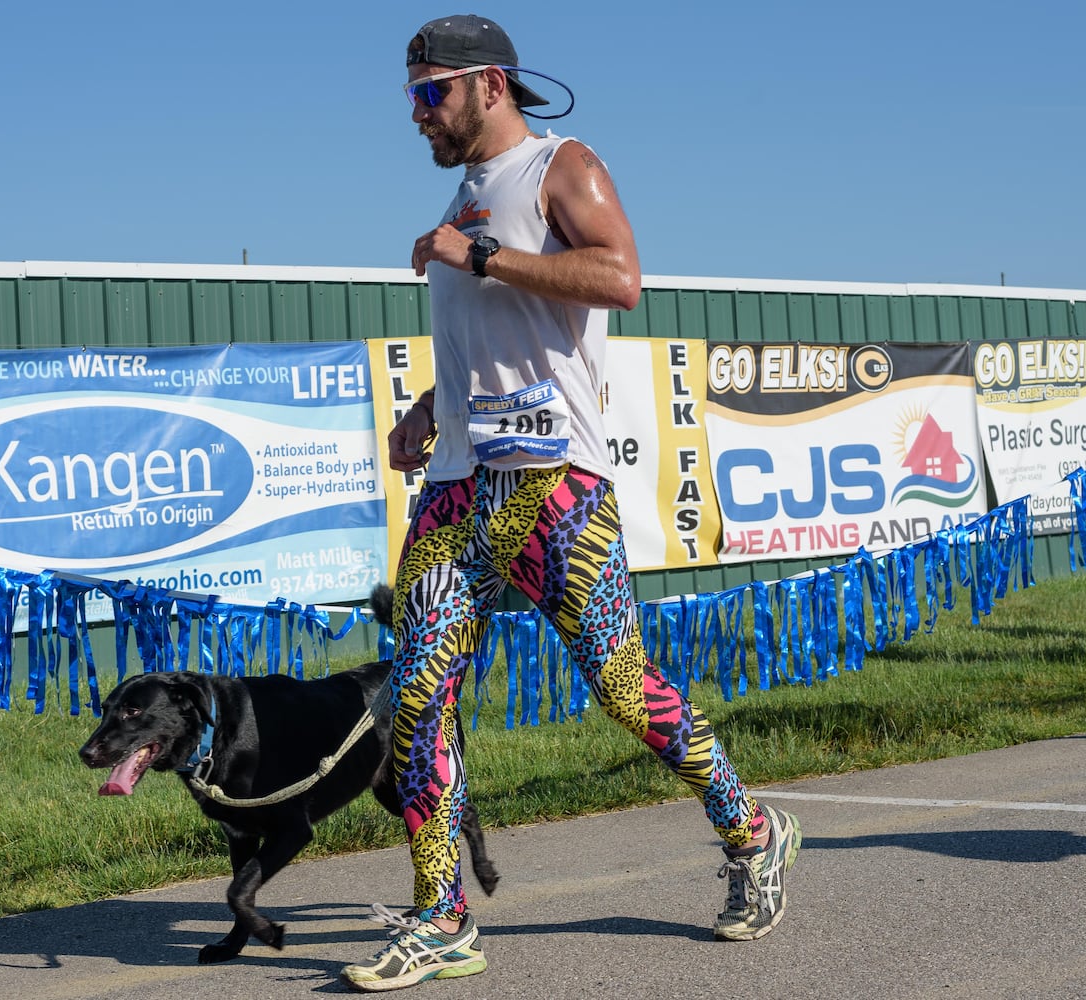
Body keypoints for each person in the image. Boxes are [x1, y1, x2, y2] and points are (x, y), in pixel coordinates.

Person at [340, 14, 802, 992]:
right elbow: (500, 341)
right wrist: (430, 409)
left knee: (625, 692)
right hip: (458, 491)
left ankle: (753, 832)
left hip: (556, 487)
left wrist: (476, 258)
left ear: (488, 86)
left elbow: (619, 278)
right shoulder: (467, 196)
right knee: (418, 694)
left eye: (431, 94)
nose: (417, 116)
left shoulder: (563, 165)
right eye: (409, 98)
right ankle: (443, 918)